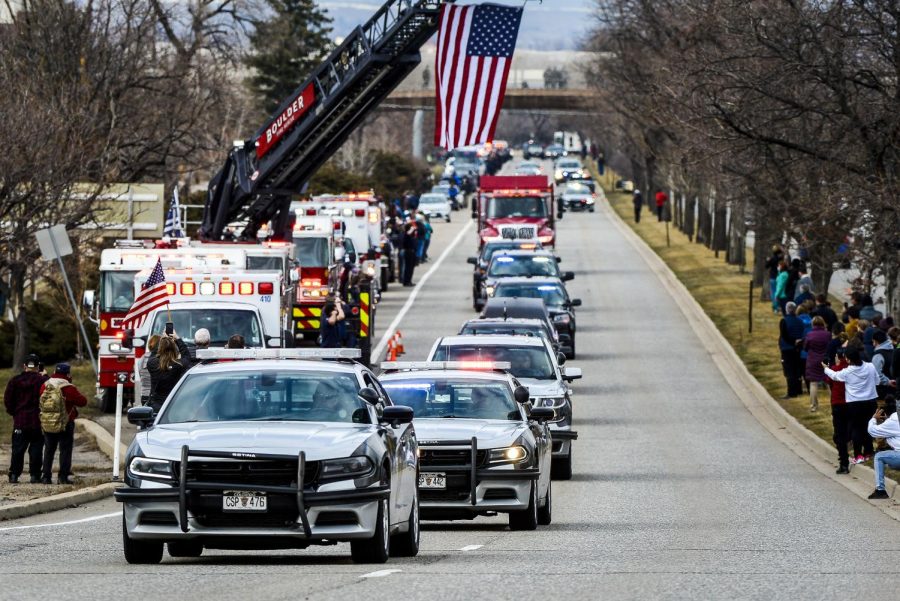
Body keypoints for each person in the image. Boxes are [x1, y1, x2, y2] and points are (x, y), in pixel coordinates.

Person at [823, 346, 888, 464]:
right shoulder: (870, 366)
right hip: (870, 401)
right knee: (868, 426)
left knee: (856, 428)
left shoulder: (848, 371)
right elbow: (877, 381)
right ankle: (869, 451)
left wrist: (826, 368)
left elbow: (835, 376)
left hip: (854, 403)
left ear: (848, 359)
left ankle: (858, 455)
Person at [39, 363, 87, 485]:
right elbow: (82, 401)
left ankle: (46, 477)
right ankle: (63, 477)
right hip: (65, 422)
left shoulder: (46, 385)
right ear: (68, 374)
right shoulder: (67, 387)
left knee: (49, 449)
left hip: (48, 422)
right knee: (65, 450)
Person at [4, 354, 48, 483]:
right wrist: (45, 375)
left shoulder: (15, 381)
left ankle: (14, 474)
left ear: (24, 366)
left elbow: (8, 400)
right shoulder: (42, 381)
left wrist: (14, 413)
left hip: (20, 420)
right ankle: (35, 475)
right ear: (38, 366)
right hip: (37, 421)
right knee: (36, 449)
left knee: (17, 449)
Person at [147, 333, 192, 413]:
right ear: (174, 349)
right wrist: (177, 339)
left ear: (159, 349)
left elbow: (153, 354)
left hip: (156, 406)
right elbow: (187, 356)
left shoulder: (151, 363)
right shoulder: (178, 365)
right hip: (173, 405)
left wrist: (162, 340)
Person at [866, 404, 900, 499]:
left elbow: (872, 431)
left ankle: (880, 490)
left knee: (879, 457)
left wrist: (873, 419)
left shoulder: (893, 421)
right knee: (891, 462)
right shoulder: (893, 421)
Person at [826, 347, 851, 473]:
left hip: (838, 404)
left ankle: (844, 463)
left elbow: (829, 381)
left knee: (839, 434)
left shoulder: (835, 370)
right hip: (851, 403)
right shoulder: (851, 370)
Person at [803, 316, 831, 412]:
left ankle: (813, 406)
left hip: (813, 360)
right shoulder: (828, 334)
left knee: (813, 383)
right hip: (825, 360)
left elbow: (805, 347)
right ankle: (833, 404)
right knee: (829, 382)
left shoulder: (809, 334)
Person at [778, 302, 805, 399]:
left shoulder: (784, 321)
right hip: (798, 349)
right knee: (797, 369)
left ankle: (791, 392)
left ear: (786, 309)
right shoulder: (800, 321)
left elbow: (784, 335)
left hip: (787, 349)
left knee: (789, 371)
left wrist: (793, 341)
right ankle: (799, 389)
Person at [137, 334, 160, 406]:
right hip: (157, 396)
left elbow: (141, 375)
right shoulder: (160, 359)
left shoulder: (142, 358)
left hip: (144, 394)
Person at [871, 329, 894, 399]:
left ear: (876, 341)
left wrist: (887, 381)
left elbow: (876, 374)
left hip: (883, 392)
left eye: (873, 342)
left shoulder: (878, 355)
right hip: (895, 388)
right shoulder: (894, 350)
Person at [764, 245, 784, 313]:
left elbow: (766, 266)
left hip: (773, 277)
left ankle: (775, 307)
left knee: (773, 293)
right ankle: (780, 306)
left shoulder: (772, 259)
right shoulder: (781, 259)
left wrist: (767, 260)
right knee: (780, 292)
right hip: (780, 277)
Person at [400, 215, 418, 286]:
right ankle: (406, 281)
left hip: (412, 251)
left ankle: (409, 280)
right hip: (408, 251)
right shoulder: (406, 235)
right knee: (408, 268)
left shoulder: (411, 236)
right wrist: (412, 228)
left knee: (411, 268)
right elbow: (408, 233)